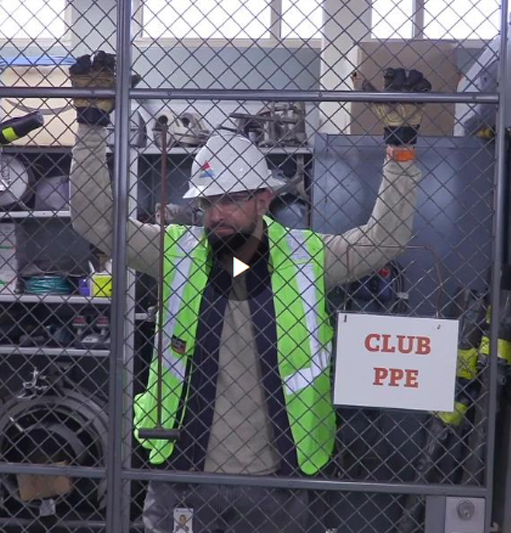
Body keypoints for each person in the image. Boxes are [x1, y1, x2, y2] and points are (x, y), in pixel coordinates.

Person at [65, 51, 429, 533]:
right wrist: (92, 126)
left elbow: (385, 238)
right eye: (209, 202)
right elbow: (93, 220)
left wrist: (400, 149)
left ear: (263, 199)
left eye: (233, 200)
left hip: (279, 478)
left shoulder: (308, 257)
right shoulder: (174, 251)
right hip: (184, 471)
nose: (218, 214)